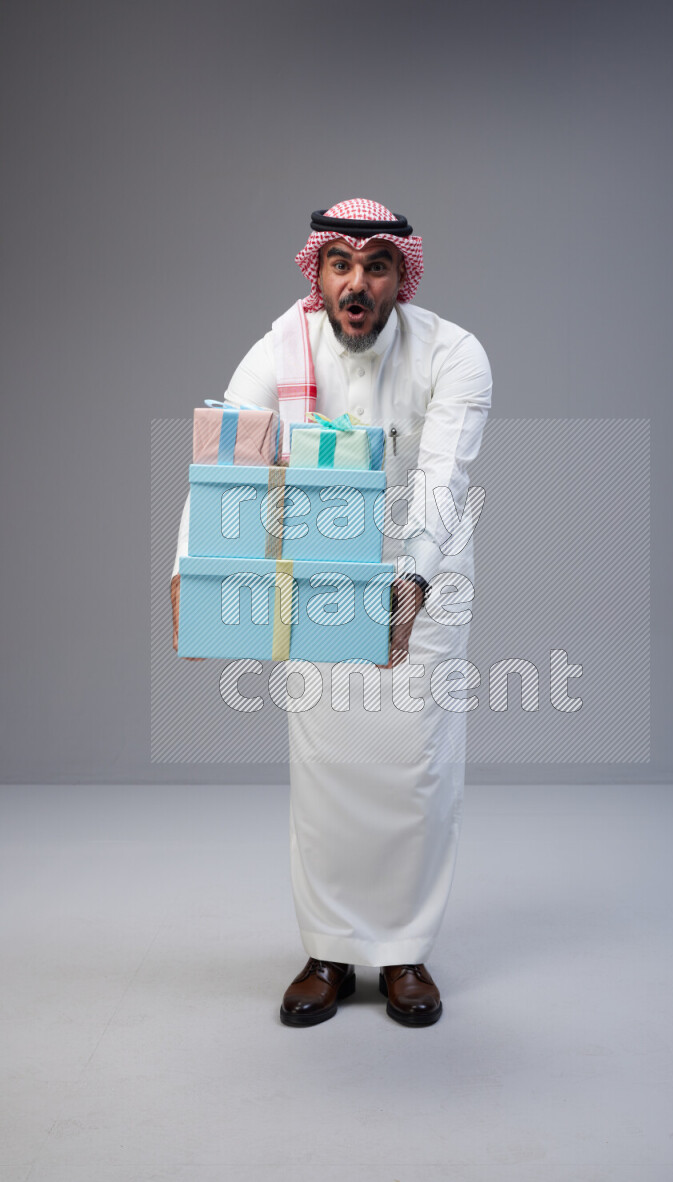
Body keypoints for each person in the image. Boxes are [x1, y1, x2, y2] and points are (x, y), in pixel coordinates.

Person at [171, 198, 492, 1027]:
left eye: (376, 265)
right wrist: (189, 569)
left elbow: (442, 476)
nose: (358, 282)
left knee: (416, 769)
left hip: (425, 571)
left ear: (400, 279)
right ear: (317, 273)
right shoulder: (282, 346)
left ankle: (404, 954)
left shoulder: (454, 352)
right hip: (320, 569)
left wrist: (411, 583)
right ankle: (326, 949)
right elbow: (226, 457)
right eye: (341, 263)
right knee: (325, 768)